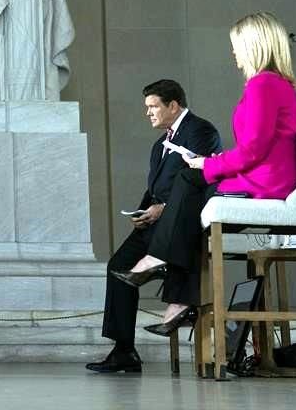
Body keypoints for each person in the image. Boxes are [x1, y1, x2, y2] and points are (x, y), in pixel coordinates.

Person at [113, 11, 296, 338]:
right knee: (188, 204)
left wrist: (208, 165)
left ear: (254, 45)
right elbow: (257, 146)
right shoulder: (276, 84)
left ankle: (161, 269)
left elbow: (253, 150)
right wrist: (212, 164)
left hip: (265, 182)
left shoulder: (263, 85)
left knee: (188, 184)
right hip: (266, 175)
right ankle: (175, 299)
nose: (234, 53)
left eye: (237, 45)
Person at [86, 80, 221, 374]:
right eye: (147, 107)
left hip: (182, 220)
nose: (148, 113)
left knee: (136, 265)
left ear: (173, 106)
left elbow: (195, 181)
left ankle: (165, 277)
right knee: (118, 267)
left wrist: (164, 209)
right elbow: (155, 188)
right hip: (155, 220)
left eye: (153, 106)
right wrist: (143, 211)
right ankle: (124, 350)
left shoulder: (201, 130)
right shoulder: (159, 143)